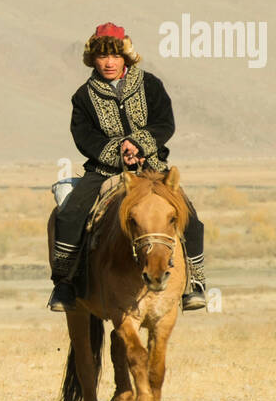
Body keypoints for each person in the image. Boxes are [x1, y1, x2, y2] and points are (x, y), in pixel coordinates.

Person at [49, 22, 207, 312]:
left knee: (190, 218)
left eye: (114, 56)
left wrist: (139, 144)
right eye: (101, 56)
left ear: (126, 57)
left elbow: (165, 123)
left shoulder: (150, 85)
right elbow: (84, 137)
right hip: (104, 170)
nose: (109, 62)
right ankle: (64, 284)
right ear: (92, 59)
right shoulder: (83, 97)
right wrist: (118, 152)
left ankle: (194, 283)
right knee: (69, 214)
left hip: (152, 169)